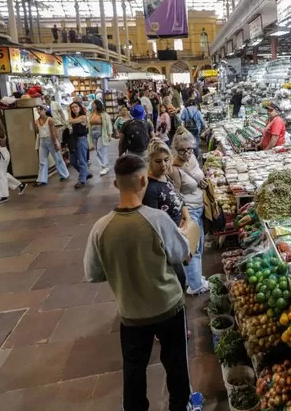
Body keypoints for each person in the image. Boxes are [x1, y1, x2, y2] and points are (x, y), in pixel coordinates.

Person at [84, 154, 200, 411]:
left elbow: (93, 273)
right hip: (168, 307)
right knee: (176, 364)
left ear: (116, 184)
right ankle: (181, 406)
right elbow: (181, 254)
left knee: (134, 370)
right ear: (142, 180)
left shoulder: (101, 228)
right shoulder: (157, 220)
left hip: (131, 313)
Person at [142, 139, 194, 292]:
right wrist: (177, 237)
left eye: (166, 160)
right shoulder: (151, 190)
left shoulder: (165, 177)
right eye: (158, 161)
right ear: (149, 161)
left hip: (180, 236)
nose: (163, 165)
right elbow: (154, 226)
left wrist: (188, 219)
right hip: (169, 246)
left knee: (181, 280)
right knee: (177, 283)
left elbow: (179, 198)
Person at [170, 127, 208, 295]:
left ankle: (194, 279)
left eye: (189, 149)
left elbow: (196, 177)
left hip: (198, 208)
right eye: (182, 150)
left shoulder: (193, 159)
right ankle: (195, 286)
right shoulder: (174, 168)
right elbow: (176, 196)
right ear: (175, 149)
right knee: (194, 250)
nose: (187, 153)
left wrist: (202, 182)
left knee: (197, 247)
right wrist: (183, 219)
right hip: (190, 212)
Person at [35, 106, 69, 186]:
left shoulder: (50, 120)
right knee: (42, 160)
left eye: (40, 110)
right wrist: (36, 125)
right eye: (38, 110)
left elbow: (53, 132)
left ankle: (64, 174)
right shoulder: (37, 120)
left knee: (57, 158)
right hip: (42, 140)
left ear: (45, 110)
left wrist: (56, 142)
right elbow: (38, 131)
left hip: (50, 139)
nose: (39, 111)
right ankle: (42, 179)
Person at [69, 102, 91, 189]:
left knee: (82, 160)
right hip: (74, 140)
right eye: (72, 107)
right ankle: (86, 173)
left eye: (76, 106)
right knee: (72, 161)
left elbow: (70, 121)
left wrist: (68, 112)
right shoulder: (74, 117)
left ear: (80, 107)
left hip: (81, 140)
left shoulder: (83, 117)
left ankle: (82, 180)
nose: (74, 108)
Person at [89, 99, 113, 176]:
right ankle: (104, 165)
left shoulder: (104, 114)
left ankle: (104, 166)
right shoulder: (91, 114)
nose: (92, 105)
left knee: (102, 151)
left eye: (93, 104)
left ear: (97, 105)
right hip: (93, 134)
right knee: (97, 151)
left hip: (102, 134)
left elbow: (108, 125)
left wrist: (109, 134)